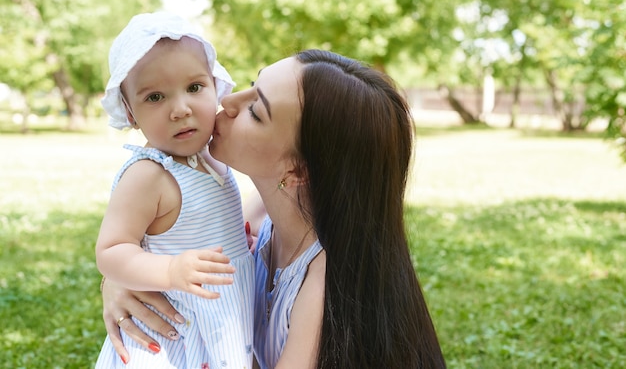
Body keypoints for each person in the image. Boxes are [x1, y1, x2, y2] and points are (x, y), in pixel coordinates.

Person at [101, 49, 446, 368]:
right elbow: (138, 247)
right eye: (252, 85)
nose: (228, 100)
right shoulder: (261, 218)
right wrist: (118, 281)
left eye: (255, 110)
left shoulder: (324, 281)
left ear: (297, 171)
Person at [95, 12, 254, 368]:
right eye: (154, 97)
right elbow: (111, 250)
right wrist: (169, 271)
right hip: (181, 332)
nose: (180, 109)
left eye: (194, 88)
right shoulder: (149, 174)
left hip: (225, 314)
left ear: (215, 87)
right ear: (131, 114)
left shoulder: (213, 155)